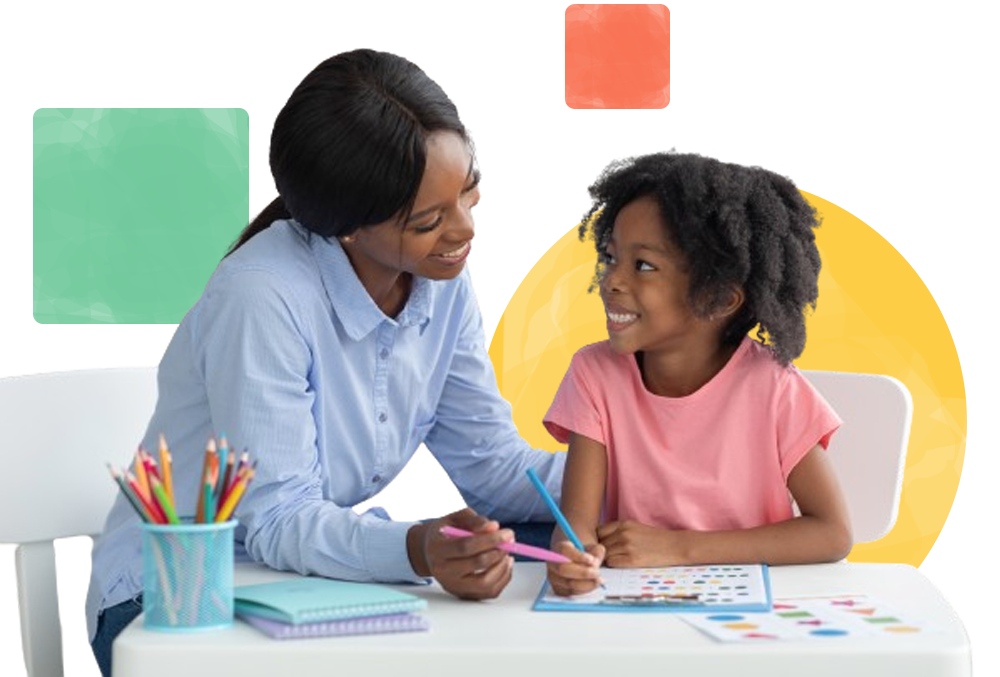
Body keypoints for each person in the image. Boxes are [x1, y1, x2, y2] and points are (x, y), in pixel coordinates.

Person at [86, 48, 563, 675]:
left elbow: (495, 469)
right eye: (428, 221)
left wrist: (658, 473)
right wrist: (418, 548)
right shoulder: (262, 295)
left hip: (301, 579)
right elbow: (277, 518)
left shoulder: (442, 280)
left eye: (470, 195)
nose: (463, 231)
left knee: (569, 540)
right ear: (346, 228)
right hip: (178, 597)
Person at [543, 148, 852, 596]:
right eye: (611, 258)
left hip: (756, 612)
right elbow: (576, 529)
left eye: (644, 265)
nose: (612, 280)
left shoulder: (772, 389)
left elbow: (832, 533)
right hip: (635, 612)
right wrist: (572, 559)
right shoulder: (594, 374)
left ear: (719, 298)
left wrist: (679, 548)